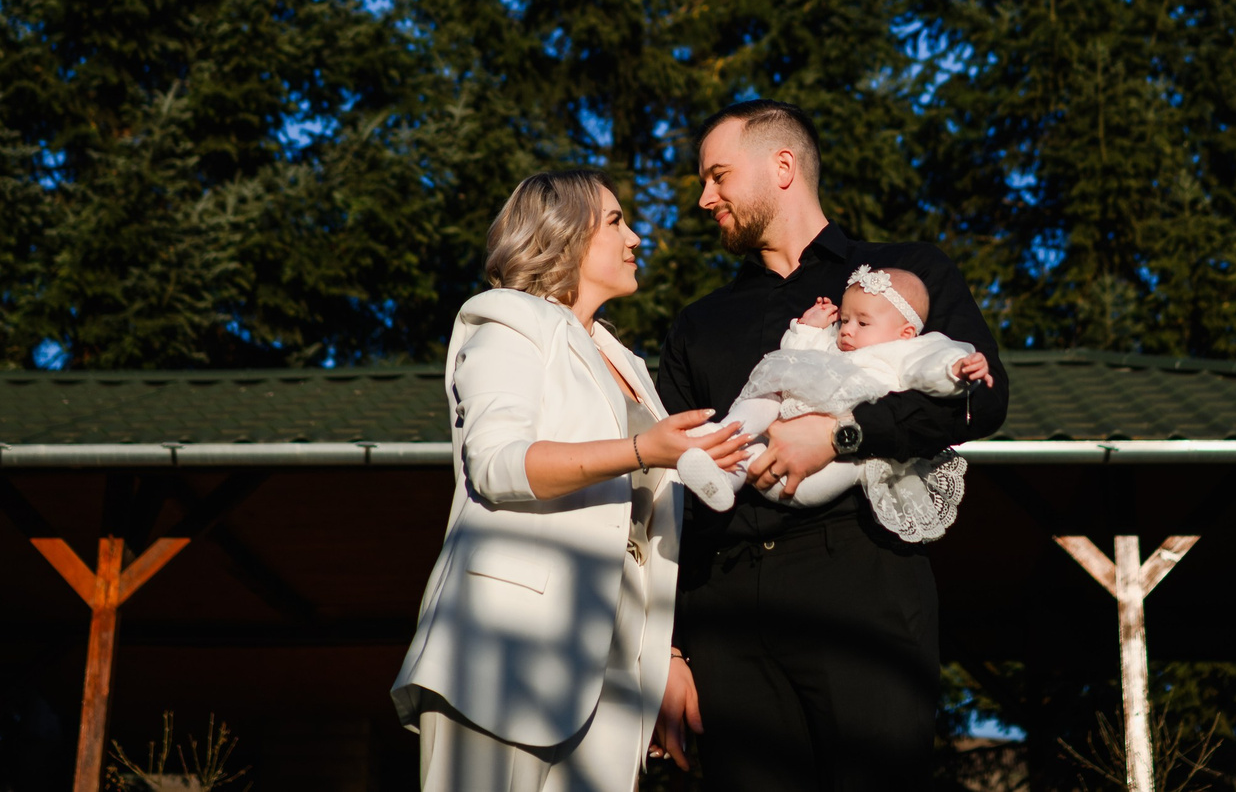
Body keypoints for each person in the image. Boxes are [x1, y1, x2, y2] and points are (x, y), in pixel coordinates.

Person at [657, 100, 1011, 790]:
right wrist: (665, 647)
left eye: (718, 175)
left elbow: (980, 398)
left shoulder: (904, 275)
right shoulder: (698, 324)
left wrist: (842, 436)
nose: (705, 198)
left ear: (782, 166)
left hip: (859, 581)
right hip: (726, 610)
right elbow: (667, 491)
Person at [392, 171, 753, 790]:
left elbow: (641, 526)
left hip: (612, 672)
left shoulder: (629, 363)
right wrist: (643, 448)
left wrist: (660, 658)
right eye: (616, 221)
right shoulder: (507, 320)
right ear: (562, 235)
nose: (637, 237)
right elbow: (499, 463)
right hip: (504, 650)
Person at [674, 264, 995, 537]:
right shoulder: (835, 345)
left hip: (829, 465)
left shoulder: (907, 351)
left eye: (863, 322)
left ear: (906, 333)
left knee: (856, 464)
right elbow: (793, 357)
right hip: (775, 440)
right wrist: (808, 327)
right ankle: (723, 456)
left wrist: (956, 370)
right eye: (844, 319)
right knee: (769, 391)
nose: (847, 331)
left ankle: (728, 458)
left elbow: (930, 367)